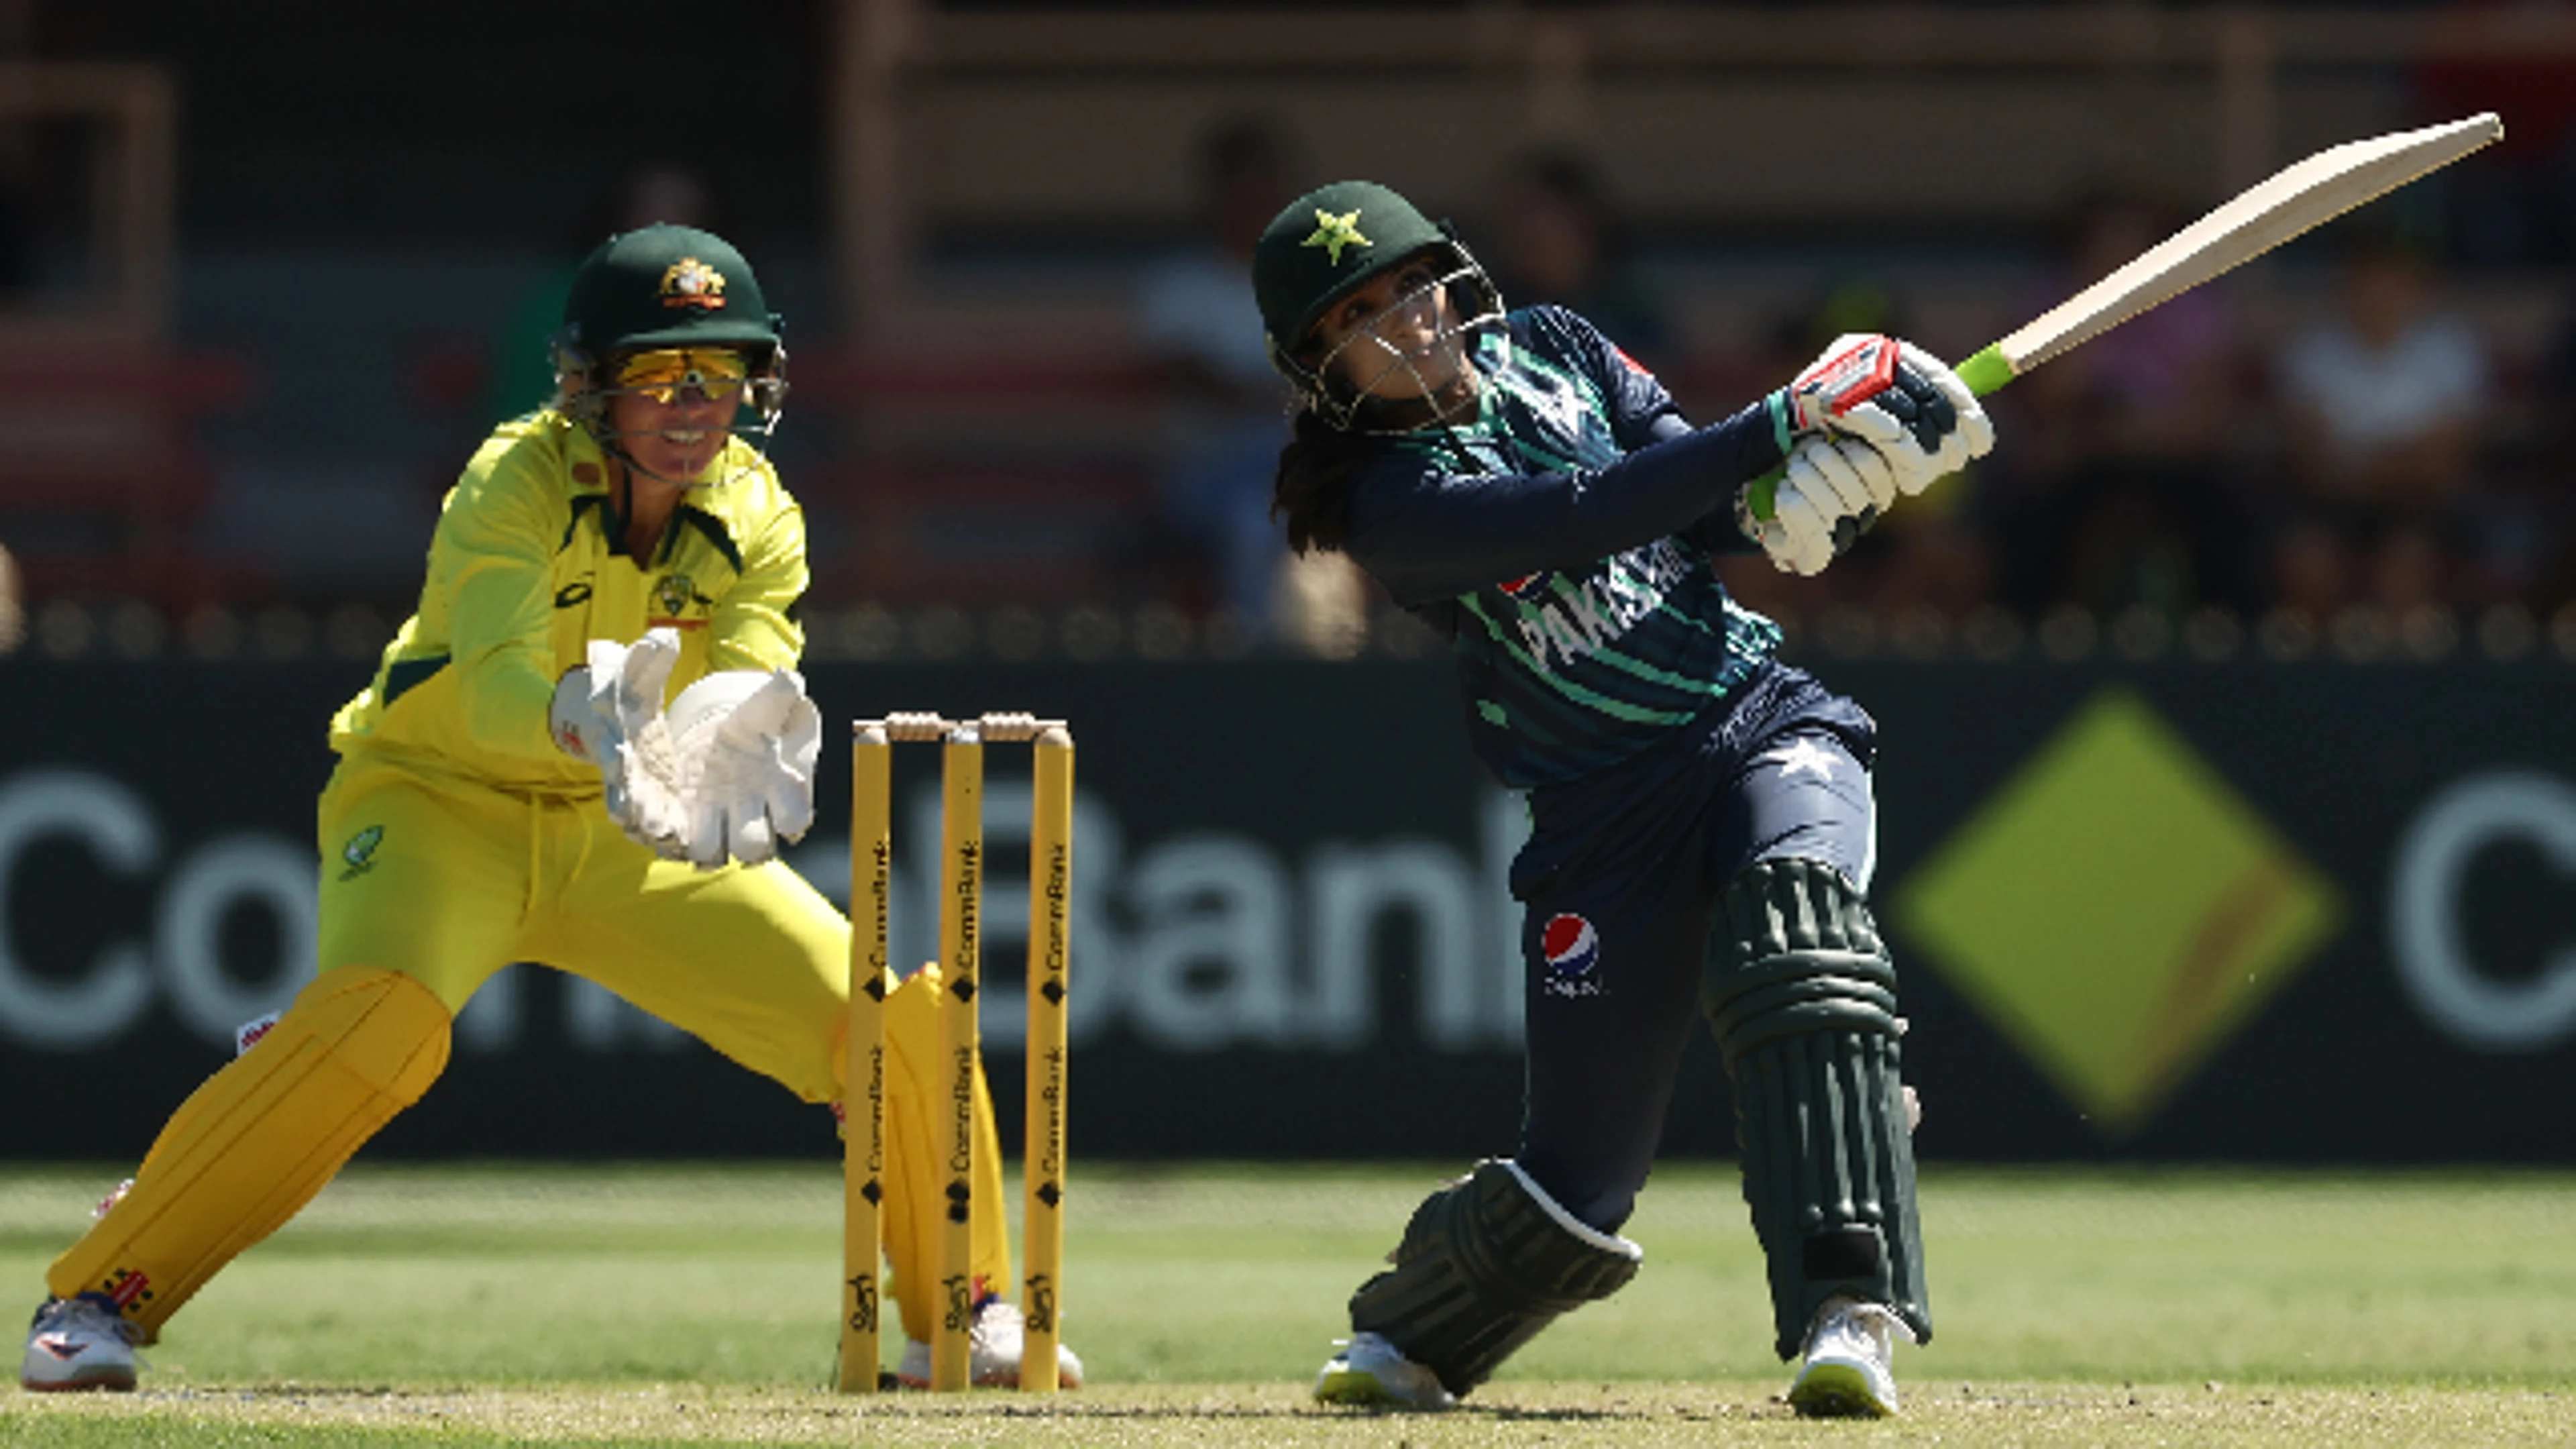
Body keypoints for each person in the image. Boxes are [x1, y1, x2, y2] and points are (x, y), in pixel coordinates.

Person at [17, 223, 1081, 1394]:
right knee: (381, 1028)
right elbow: (492, 681)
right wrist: (585, 719)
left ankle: (960, 1309)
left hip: (627, 831)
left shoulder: (761, 511)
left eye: (722, 377)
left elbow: (755, 666)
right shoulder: (511, 480)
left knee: (887, 1009)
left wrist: (744, 727)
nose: (693, 407)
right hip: (442, 802)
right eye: (662, 377)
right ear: (590, 385)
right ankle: (96, 1294)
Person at [1252, 180, 1992, 1417]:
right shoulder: (1386, 505)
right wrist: (1784, 417)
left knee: (1799, 933)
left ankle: (1846, 1315)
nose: (1404, 326)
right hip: (1600, 819)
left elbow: (1683, 494)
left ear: (1456, 275)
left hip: (1755, 718)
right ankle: (1409, 1335)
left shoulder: (1557, 345)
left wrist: (1797, 496)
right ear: (1318, 367)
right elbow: (1582, 513)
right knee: (1577, 1188)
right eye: (1356, 320)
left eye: (1410, 288)